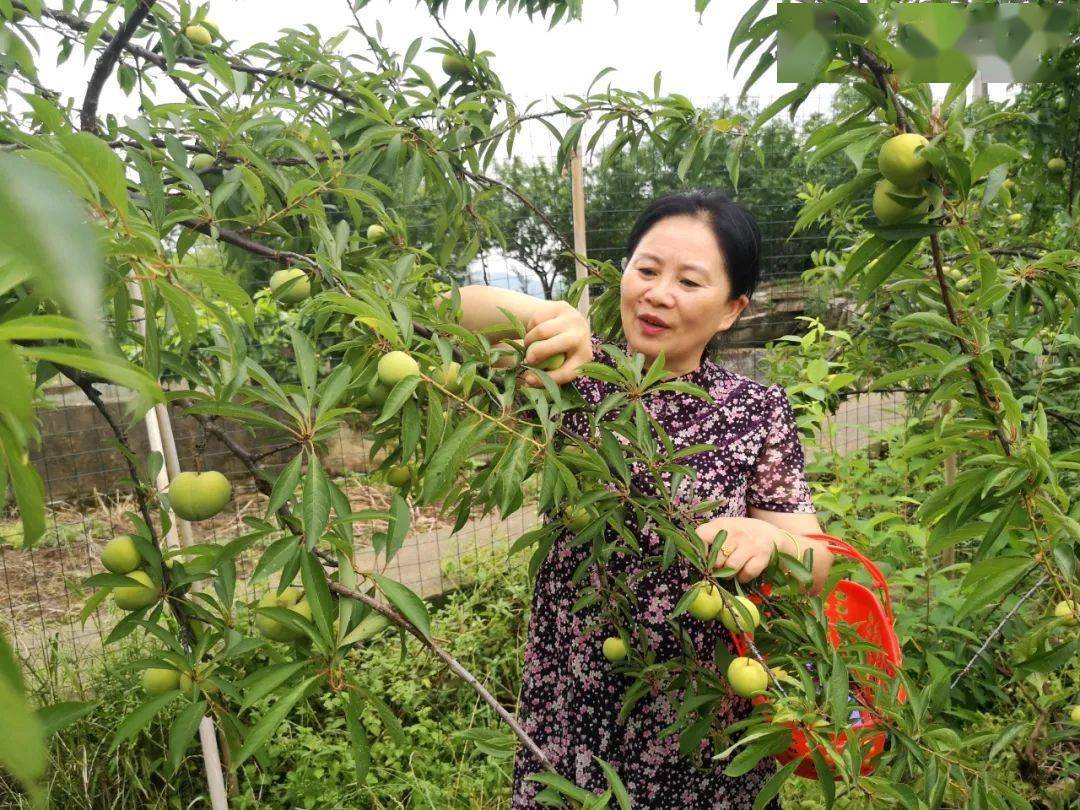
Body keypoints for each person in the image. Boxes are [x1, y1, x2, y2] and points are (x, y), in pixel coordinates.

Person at [454, 189, 834, 808]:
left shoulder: (756, 411)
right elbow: (456, 308)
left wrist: (771, 538)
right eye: (647, 269)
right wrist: (546, 314)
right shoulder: (575, 374)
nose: (658, 294)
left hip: (699, 702)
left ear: (732, 310)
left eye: (689, 281)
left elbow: (817, 566)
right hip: (577, 682)